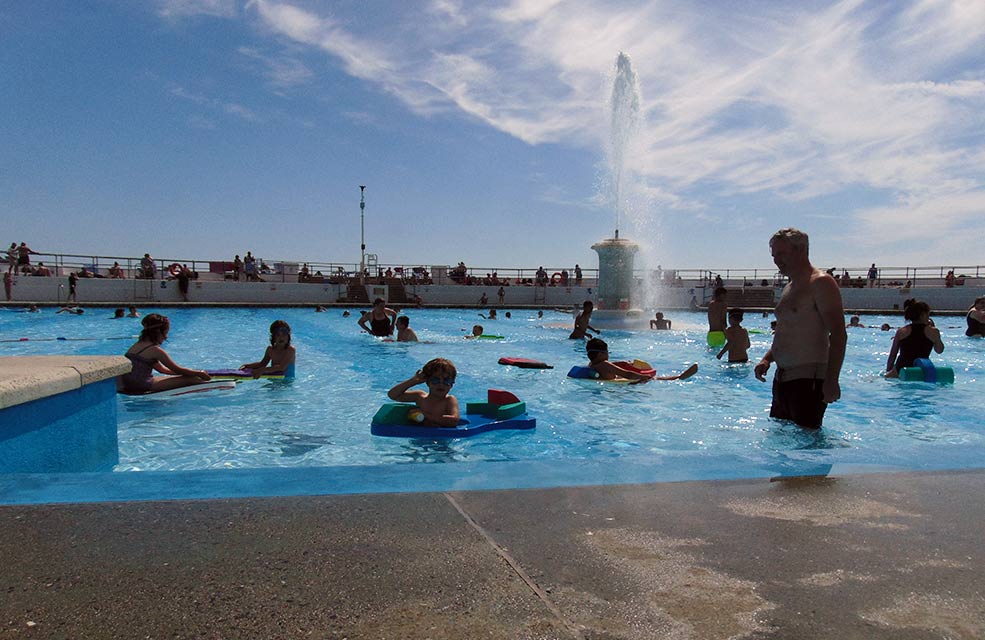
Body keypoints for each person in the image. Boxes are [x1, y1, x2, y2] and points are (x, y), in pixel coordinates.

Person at [754, 228, 846, 429]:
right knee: (780, 444)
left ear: (801, 250)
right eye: (774, 255)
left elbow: (839, 334)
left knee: (808, 449)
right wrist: (767, 359)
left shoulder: (821, 283)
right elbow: (787, 330)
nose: (776, 260)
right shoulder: (790, 286)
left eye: (781, 254)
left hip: (808, 381)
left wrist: (831, 381)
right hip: (782, 379)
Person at [117, 314, 211, 393]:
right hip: (142, 385)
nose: (166, 337)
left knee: (180, 377)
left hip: (130, 384)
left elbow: (163, 370)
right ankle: (213, 389)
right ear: (160, 333)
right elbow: (177, 369)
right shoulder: (155, 350)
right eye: (166, 333)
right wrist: (198, 373)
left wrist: (190, 372)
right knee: (190, 380)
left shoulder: (136, 345)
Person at [387, 358, 460, 427]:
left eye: (446, 381)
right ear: (427, 382)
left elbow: (454, 421)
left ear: (452, 384)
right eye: (435, 380)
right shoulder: (420, 397)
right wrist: (413, 381)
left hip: (441, 438)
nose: (441, 384)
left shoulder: (449, 400)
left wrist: (426, 415)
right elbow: (393, 395)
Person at [586, 338, 698, 382]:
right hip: (623, 387)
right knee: (655, 378)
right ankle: (678, 377)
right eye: (607, 353)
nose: (608, 356)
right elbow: (627, 374)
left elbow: (608, 367)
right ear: (601, 354)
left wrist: (619, 363)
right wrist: (643, 377)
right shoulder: (605, 364)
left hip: (611, 382)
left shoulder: (592, 364)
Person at [885, 300, 944, 377]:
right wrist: (936, 335)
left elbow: (893, 355)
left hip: (901, 369)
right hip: (922, 370)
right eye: (928, 314)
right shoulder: (933, 331)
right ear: (923, 315)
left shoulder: (901, 331)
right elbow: (939, 350)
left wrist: (888, 370)